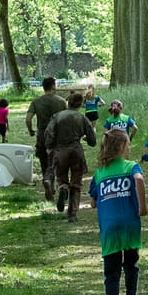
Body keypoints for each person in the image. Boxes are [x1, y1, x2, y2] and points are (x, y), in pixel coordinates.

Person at [89, 128, 148, 295]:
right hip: (130, 224)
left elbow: (93, 202)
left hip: (109, 228)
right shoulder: (131, 166)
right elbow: (139, 179)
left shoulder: (99, 173)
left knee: (111, 274)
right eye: (128, 145)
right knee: (131, 266)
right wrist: (142, 207)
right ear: (122, 146)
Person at [44, 91, 96, 222]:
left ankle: (63, 189)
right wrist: (86, 137)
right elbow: (92, 140)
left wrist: (49, 146)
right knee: (76, 183)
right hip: (76, 150)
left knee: (61, 177)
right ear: (81, 104)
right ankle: (72, 214)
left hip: (60, 150)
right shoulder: (82, 118)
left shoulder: (57, 116)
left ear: (68, 103)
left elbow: (49, 133)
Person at [26, 77, 67, 198]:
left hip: (42, 135)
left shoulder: (36, 102)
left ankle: (47, 181)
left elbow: (28, 119)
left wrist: (30, 130)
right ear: (53, 86)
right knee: (57, 161)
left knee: (44, 160)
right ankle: (56, 184)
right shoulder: (61, 101)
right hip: (58, 135)